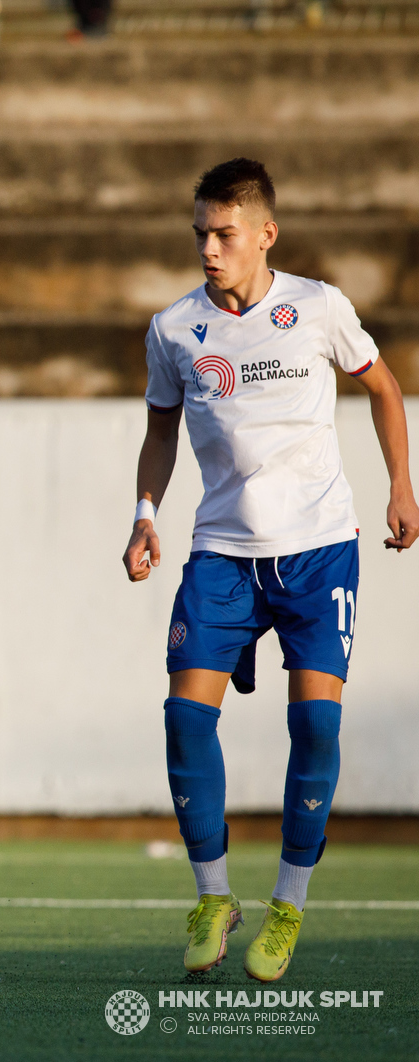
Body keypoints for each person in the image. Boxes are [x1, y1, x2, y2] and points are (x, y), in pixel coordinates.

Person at [122, 158, 417, 982]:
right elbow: (159, 430)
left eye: (223, 234)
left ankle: (288, 905)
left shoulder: (319, 306)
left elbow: (385, 389)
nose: (209, 249)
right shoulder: (174, 329)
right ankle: (215, 897)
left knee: (315, 727)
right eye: (200, 235)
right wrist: (145, 516)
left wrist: (401, 485)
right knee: (184, 722)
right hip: (221, 553)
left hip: (320, 551)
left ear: (264, 235)